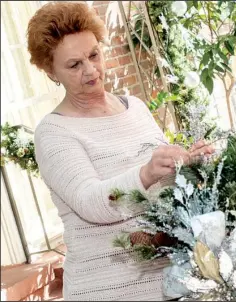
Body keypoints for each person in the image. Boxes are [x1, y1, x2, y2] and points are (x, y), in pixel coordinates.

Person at [27, 2, 213, 301]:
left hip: (170, 280)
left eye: (93, 55)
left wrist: (188, 162)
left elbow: (163, 185)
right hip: (108, 290)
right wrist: (147, 172)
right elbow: (90, 201)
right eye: (74, 65)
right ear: (51, 71)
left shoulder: (134, 108)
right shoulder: (53, 132)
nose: (91, 70)